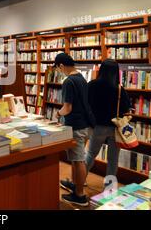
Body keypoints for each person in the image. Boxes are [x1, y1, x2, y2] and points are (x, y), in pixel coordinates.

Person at [54, 53, 93, 207]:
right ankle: (76, 185)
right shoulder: (82, 78)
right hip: (85, 124)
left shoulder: (68, 81)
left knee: (78, 160)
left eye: (58, 68)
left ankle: (80, 195)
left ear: (62, 66)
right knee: (78, 160)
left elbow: (67, 108)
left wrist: (57, 113)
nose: (59, 71)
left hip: (76, 126)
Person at [85, 59, 131, 185]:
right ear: (116, 72)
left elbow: (85, 104)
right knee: (113, 160)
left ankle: (79, 180)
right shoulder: (119, 89)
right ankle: (109, 188)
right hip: (115, 128)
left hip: (97, 126)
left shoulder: (92, 85)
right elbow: (126, 107)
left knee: (90, 154)